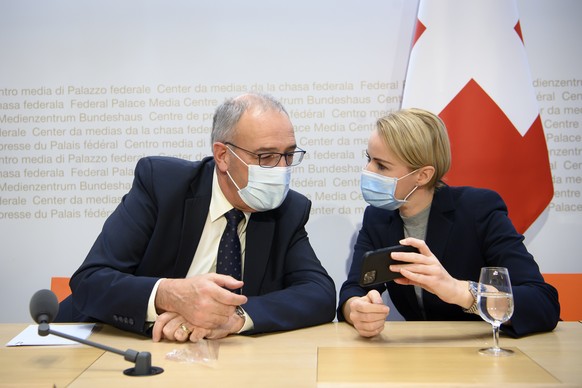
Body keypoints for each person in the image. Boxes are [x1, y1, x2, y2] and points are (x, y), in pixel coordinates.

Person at [61, 93, 336, 342]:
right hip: (105, 344)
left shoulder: (288, 209)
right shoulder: (162, 185)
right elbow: (90, 281)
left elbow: (319, 293)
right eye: (266, 157)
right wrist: (171, 295)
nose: (282, 169)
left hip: (213, 357)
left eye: (288, 155)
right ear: (223, 156)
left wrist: (235, 317)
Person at [337, 108, 560, 338]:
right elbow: (355, 288)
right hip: (419, 357)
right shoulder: (378, 217)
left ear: (423, 175)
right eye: (368, 159)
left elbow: (543, 302)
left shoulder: (479, 209)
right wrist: (357, 309)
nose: (367, 171)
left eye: (381, 166)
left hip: (483, 352)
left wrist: (459, 291)